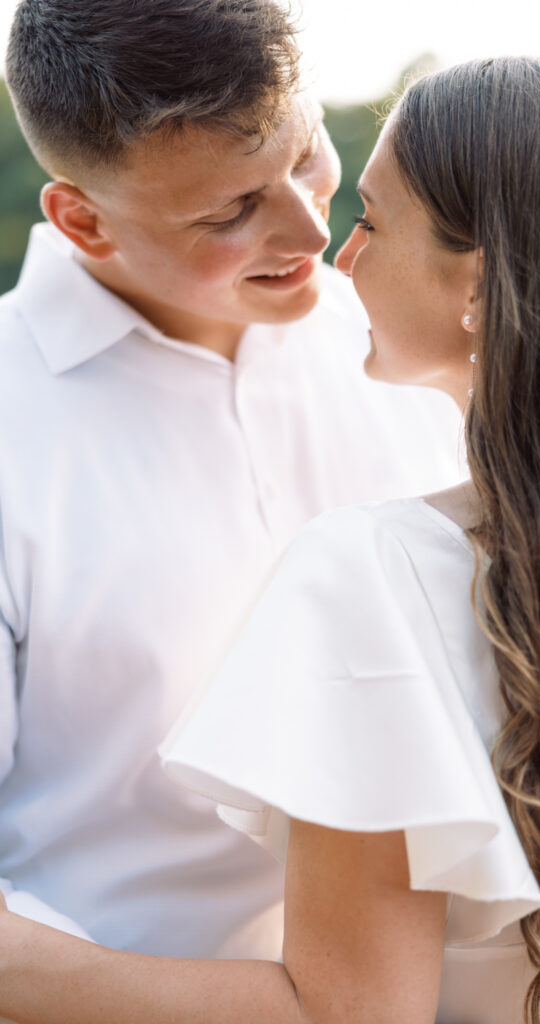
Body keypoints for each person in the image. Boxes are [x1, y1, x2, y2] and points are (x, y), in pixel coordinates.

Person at [1, 53, 540, 1024]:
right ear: (80, 219)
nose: (322, 244)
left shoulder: (367, 557)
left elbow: (348, 1010)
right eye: (226, 209)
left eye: (326, 175)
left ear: (480, 287)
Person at [0, 0, 464, 963]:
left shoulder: (427, 344)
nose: (309, 227)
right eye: (230, 210)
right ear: (83, 219)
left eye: (303, 159)